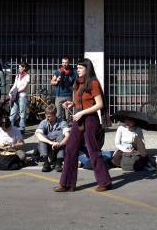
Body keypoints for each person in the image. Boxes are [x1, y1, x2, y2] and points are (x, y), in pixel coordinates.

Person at [54, 58, 112, 192]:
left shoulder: (93, 82)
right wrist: (71, 104)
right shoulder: (78, 83)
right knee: (70, 149)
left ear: (87, 69)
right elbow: (81, 101)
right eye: (77, 68)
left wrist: (82, 112)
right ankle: (67, 183)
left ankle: (105, 182)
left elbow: (99, 104)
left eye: (80, 68)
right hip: (78, 119)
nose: (77, 70)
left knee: (93, 151)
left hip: (90, 120)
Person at [35, 104, 69, 172]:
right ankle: (46, 163)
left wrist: (59, 144)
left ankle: (58, 163)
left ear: (55, 115)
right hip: (48, 147)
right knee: (42, 138)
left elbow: (68, 136)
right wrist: (51, 142)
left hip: (58, 146)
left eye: (49, 116)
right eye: (46, 116)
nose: (47, 118)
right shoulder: (43, 122)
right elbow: (38, 134)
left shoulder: (62, 122)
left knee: (61, 135)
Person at [51, 56, 75, 122]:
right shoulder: (58, 72)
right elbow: (52, 82)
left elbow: (76, 83)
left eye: (66, 62)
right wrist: (57, 81)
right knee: (58, 114)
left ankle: (67, 129)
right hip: (59, 96)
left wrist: (73, 88)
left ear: (69, 63)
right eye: (63, 62)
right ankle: (59, 129)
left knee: (68, 116)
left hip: (68, 96)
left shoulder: (73, 72)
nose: (64, 64)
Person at [9, 61, 30, 135]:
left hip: (22, 95)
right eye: (19, 67)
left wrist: (16, 91)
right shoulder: (17, 76)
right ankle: (9, 127)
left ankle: (22, 128)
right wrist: (11, 92)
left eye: (20, 67)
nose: (19, 68)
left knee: (22, 112)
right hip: (16, 95)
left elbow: (24, 87)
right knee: (13, 112)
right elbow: (15, 85)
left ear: (24, 68)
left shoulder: (27, 76)